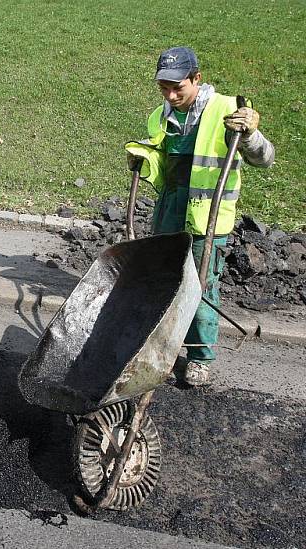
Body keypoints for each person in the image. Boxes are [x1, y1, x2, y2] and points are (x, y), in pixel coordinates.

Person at [126, 47, 275, 386]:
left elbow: (265, 159)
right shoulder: (160, 115)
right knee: (163, 282)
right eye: (164, 88)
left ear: (196, 78)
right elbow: (163, 164)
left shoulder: (228, 110)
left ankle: (200, 357)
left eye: (178, 86)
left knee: (202, 288)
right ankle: (160, 349)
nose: (171, 94)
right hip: (169, 211)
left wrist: (250, 134)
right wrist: (143, 159)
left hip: (208, 216)